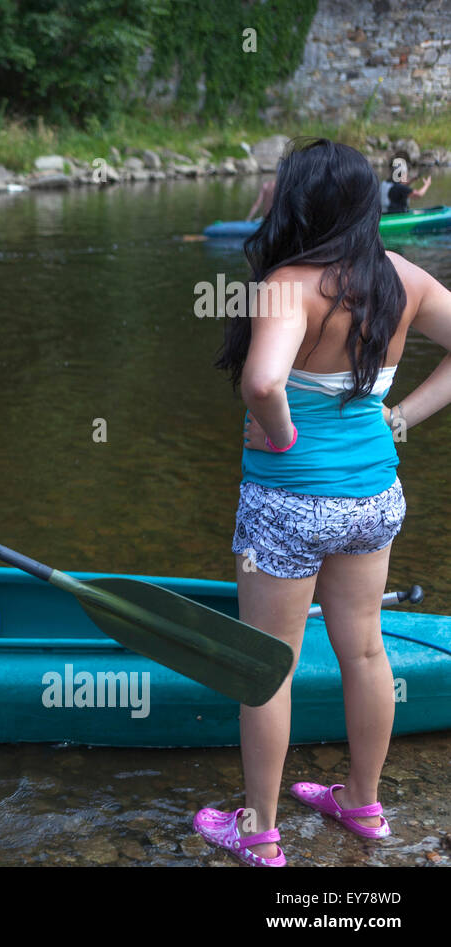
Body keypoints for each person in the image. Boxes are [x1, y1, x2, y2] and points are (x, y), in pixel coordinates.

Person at [203, 137, 451, 866]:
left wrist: (278, 437)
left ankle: (259, 830)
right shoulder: (404, 279)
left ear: (305, 198)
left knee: (267, 665)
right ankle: (363, 805)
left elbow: (261, 382)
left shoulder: (290, 283)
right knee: (367, 649)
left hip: (289, 501)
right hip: (373, 498)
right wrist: (399, 417)